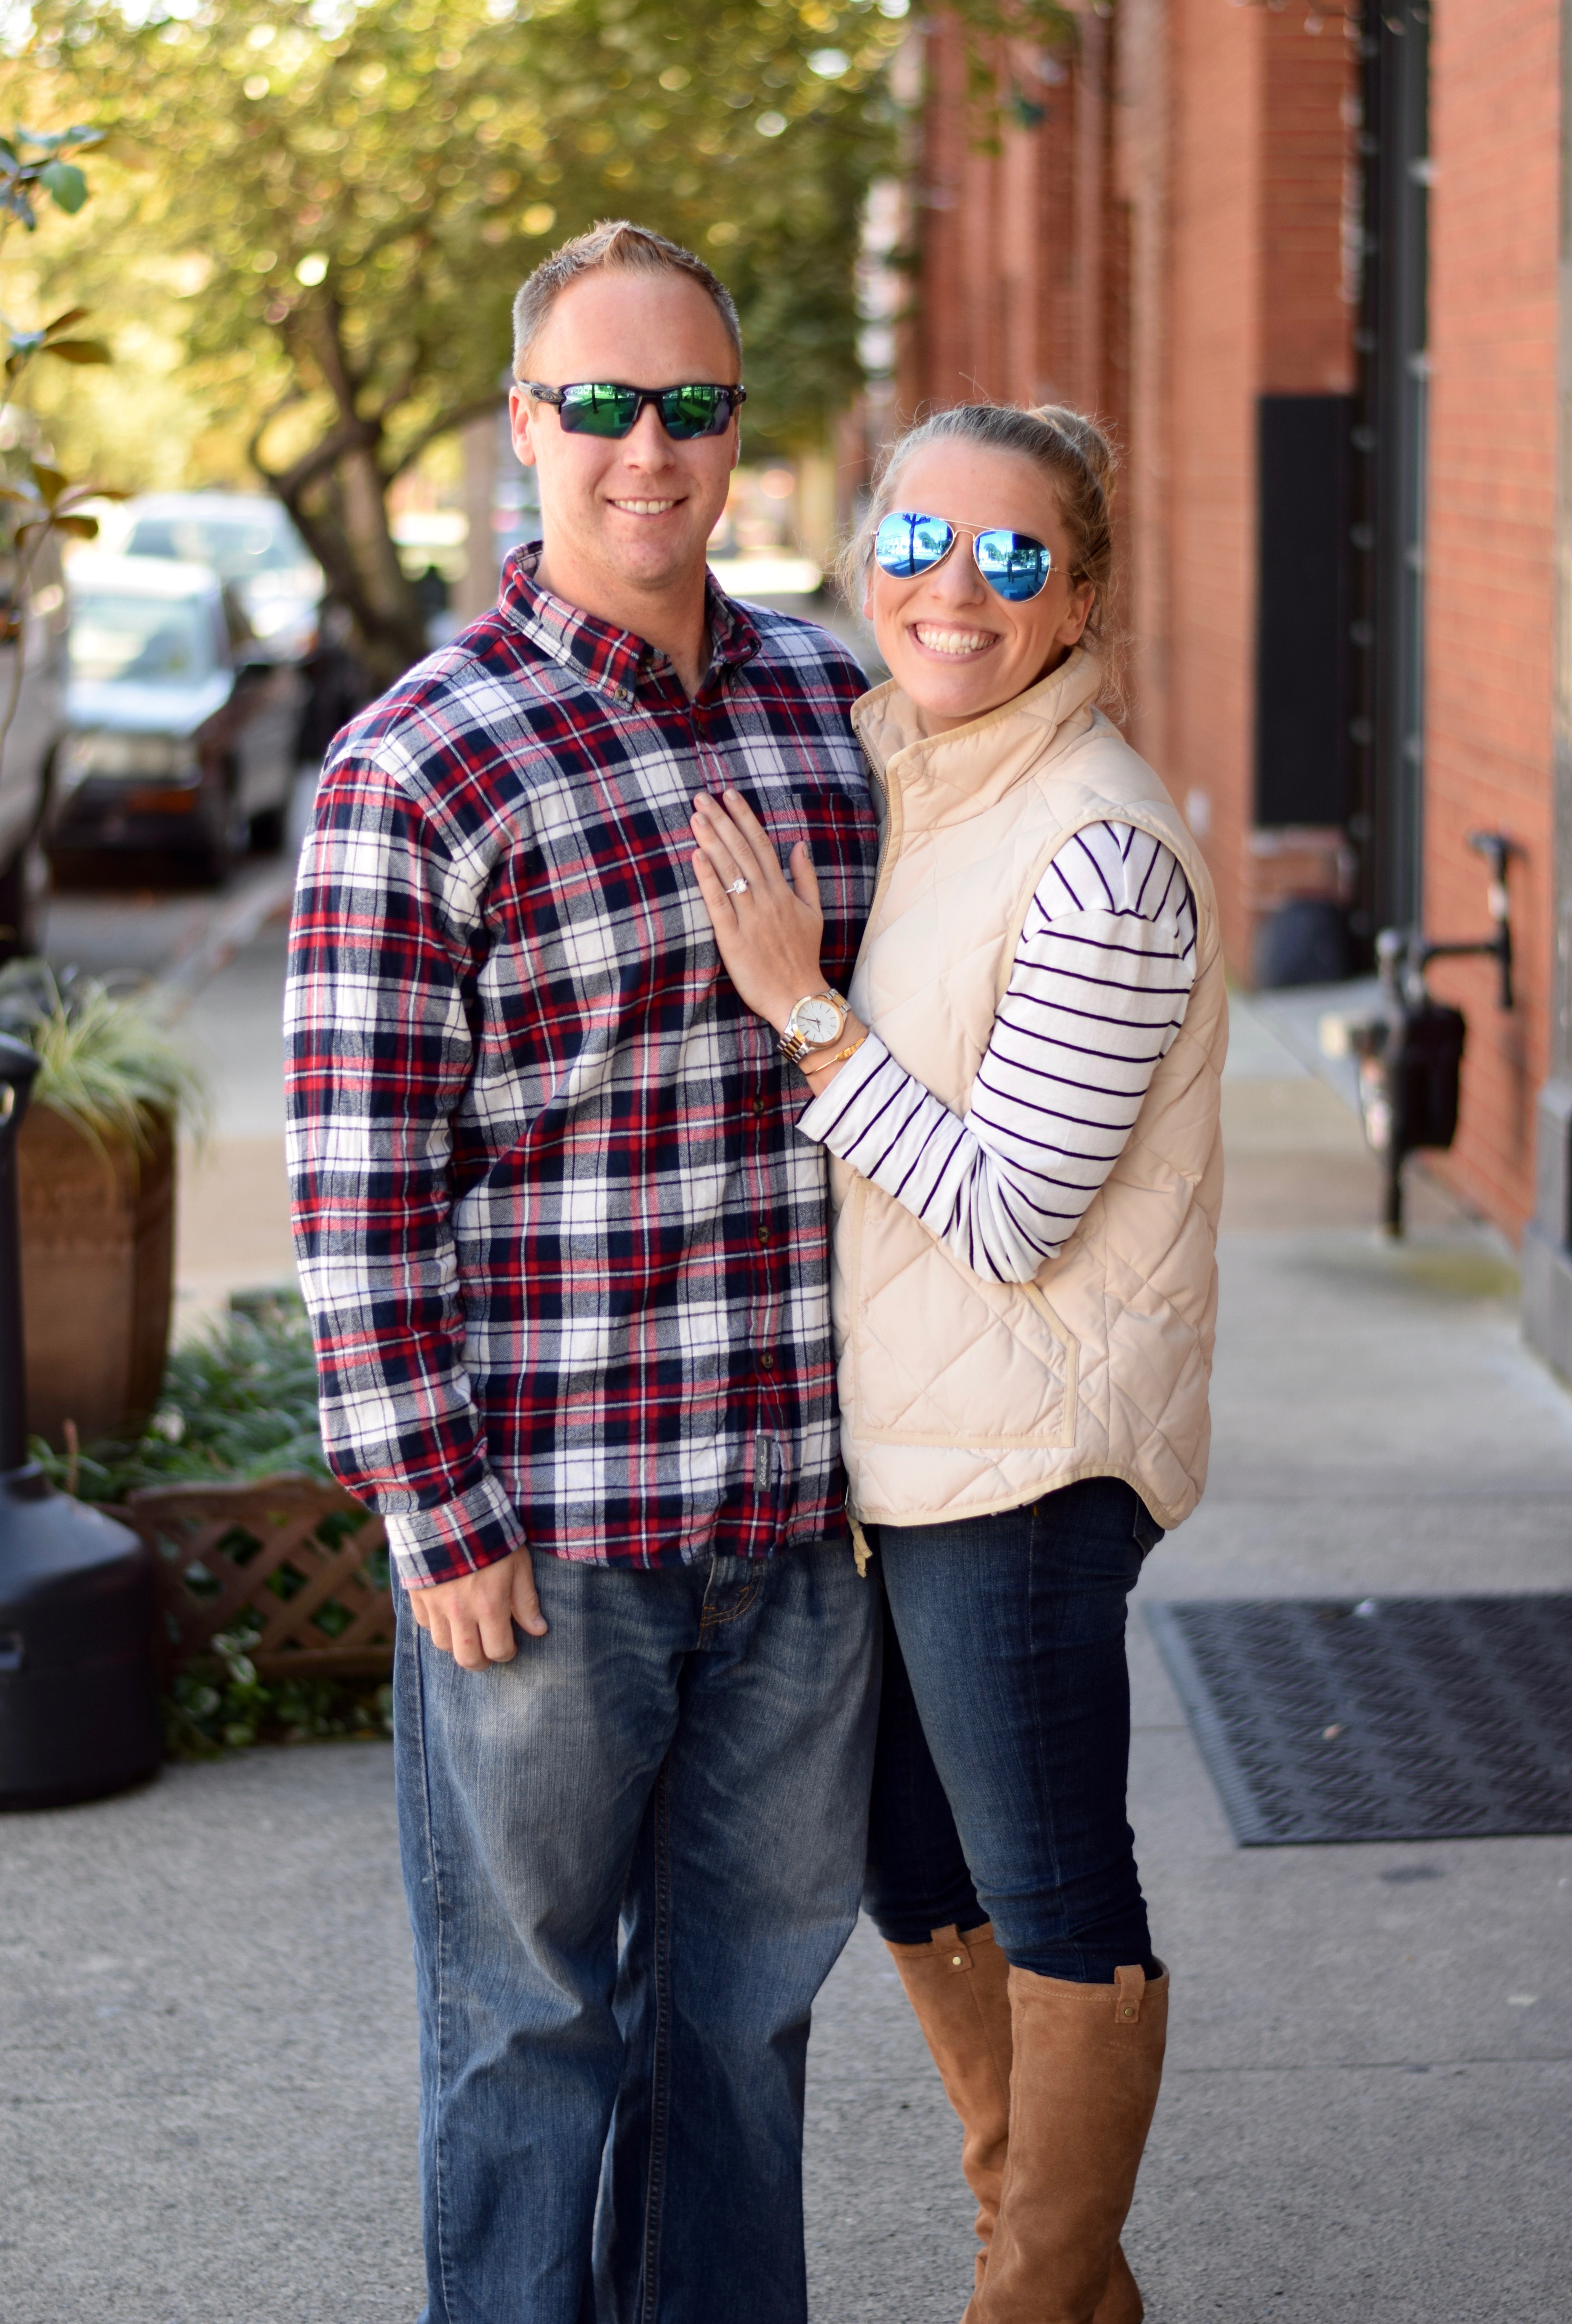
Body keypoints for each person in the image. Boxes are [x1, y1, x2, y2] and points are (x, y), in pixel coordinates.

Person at [284, 221, 881, 2324]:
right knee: (529, 2038)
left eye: (691, 406)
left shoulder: (838, 709)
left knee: (746, 2030)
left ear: (736, 429)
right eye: (605, 405)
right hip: (545, 1544)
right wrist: (433, 1514)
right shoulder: (420, 762)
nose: (652, 449)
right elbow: (357, 1191)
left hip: (801, 1527)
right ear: (526, 424)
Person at [691, 400, 1226, 2324]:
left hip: (1026, 1461)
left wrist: (804, 1015)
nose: (955, 589)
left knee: (1055, 1891)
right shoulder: (917, 777)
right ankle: (1056, 2268)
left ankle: (1038, 2298)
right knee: (914, 1869)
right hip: (913, 1452)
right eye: (919, 543)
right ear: (866, 560)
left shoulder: (1099, 850)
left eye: (1014, 560)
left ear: (1078, 600)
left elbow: (1010, 1213)